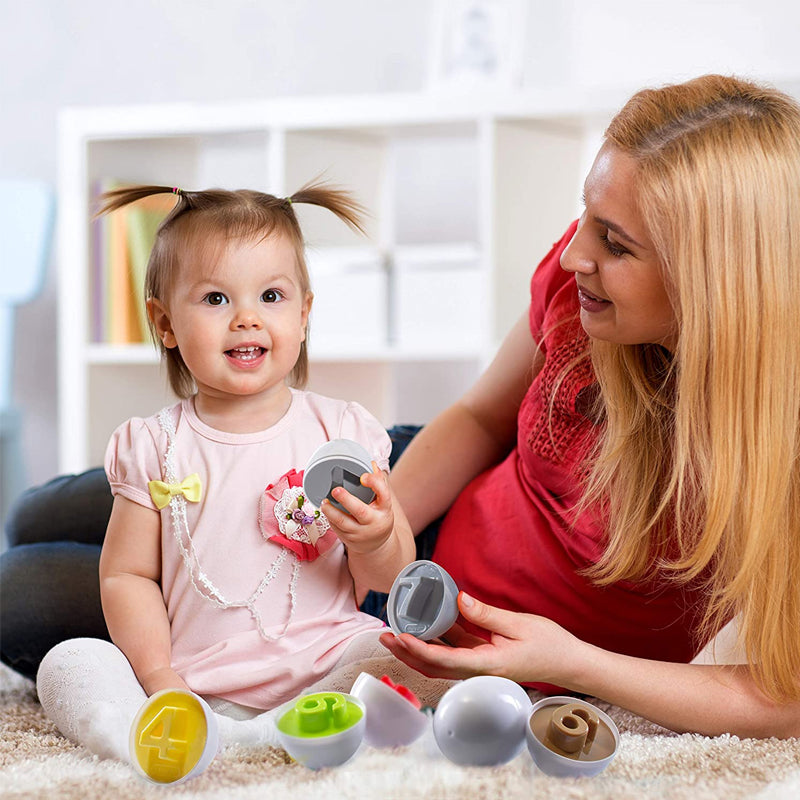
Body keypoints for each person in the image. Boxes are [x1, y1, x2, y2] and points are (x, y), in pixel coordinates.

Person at [3, 73, 799, 742]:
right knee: (41, 514)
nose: (574, 253)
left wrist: (571, 663)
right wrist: (358, 537)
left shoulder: (779, 440)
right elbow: (481, 418)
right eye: (585, 216)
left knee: (22, 592)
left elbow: (785, 696)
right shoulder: (577, 284)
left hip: (442, 623)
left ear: (716, 280)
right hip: (400, 498)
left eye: (615, 243)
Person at [30, 182, 451, 784]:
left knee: (403, 654)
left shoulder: (342, 432)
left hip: (323, 666)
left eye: (271, 296)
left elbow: (386, 580)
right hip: (193, 686)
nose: (246, 317)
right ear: (165, 322)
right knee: (70, 662)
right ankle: (154, 733)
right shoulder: (153, 445)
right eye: (215, 298)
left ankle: (265, 731)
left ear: (303, 315)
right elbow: (127, 576)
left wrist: (377, 536)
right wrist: (160, 679)